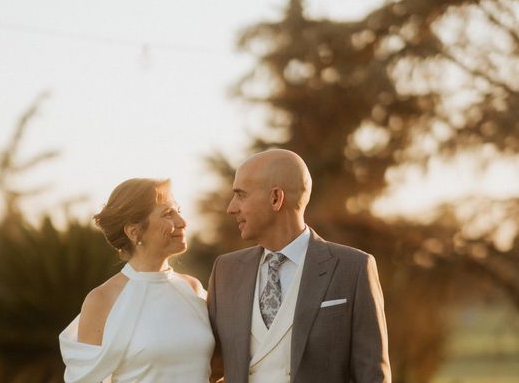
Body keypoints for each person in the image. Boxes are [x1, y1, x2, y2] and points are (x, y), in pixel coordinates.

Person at [208, 149, 391, 383]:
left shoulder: (353, 268)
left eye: (241, 195)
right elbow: (206, 368)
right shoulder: (226, 270)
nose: (231, 207)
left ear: (276, 198)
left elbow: (373, 376)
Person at [59, 178, 215, 383]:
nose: (182, 222)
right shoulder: (102, 300)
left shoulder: (192, 288)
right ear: (134, 232)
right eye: (168, 214)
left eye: (178, 210)